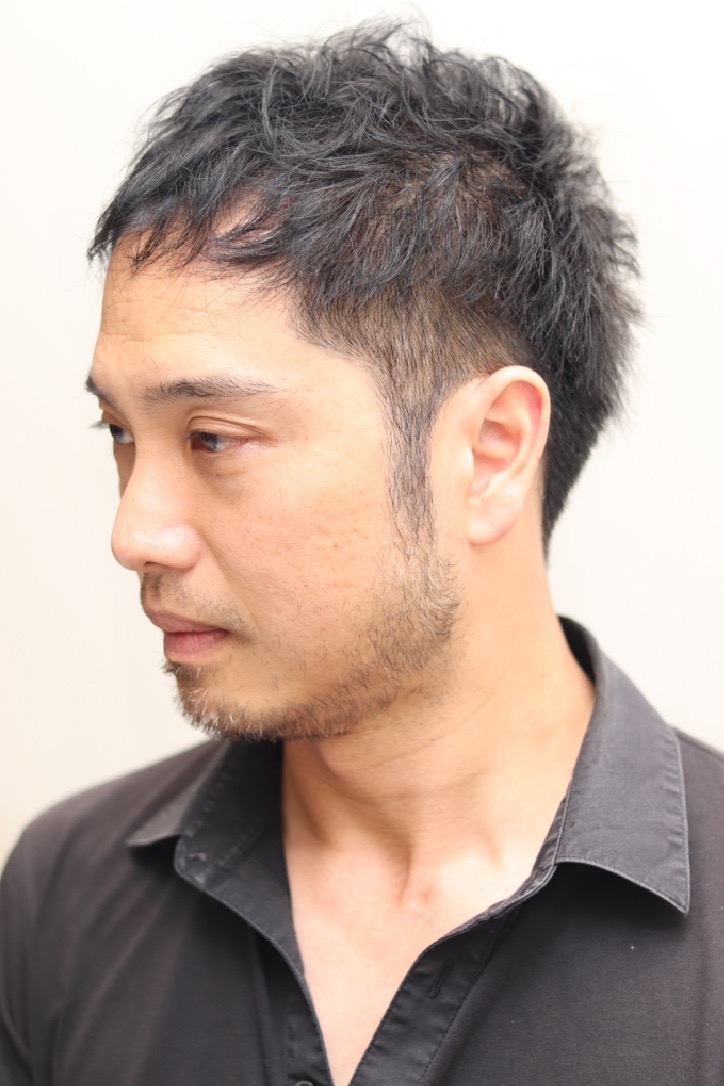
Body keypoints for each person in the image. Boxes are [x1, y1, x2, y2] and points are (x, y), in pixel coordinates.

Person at [1, 23, 722, 1086]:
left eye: (213, 438)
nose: (134, 533)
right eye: (120, 433)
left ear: (490, 450)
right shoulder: (62, 898)